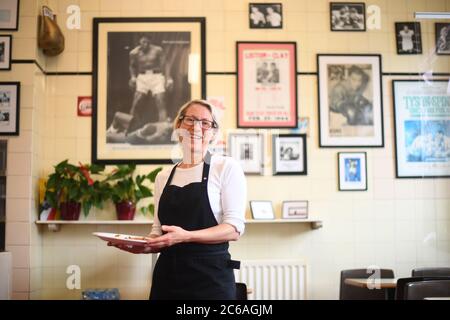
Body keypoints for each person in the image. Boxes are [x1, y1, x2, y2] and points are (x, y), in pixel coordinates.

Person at [109, 99, 247, 300]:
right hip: (168, 279)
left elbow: (234, 229)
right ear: (178, 126)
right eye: (190, 119)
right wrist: (142, 246)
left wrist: (187, 236)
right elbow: (158, 232)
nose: (196, 127)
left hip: (211, 280)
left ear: (213, 132)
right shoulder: (163, 177)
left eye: (205, 122)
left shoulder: (225, 167)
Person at [107, 35, 173, 135]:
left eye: (147, 42)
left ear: (150, 42)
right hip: (142, 77)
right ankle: (128, 129)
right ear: (139, 42)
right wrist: (133, 77)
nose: (145, 44)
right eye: (142, 42)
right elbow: (132, 66)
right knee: (136, 102)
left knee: (160, 101)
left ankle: (163, 129)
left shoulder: (158, 50)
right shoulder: (134, 53)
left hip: (157, 76)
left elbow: (165, 64)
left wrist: (169, 78)